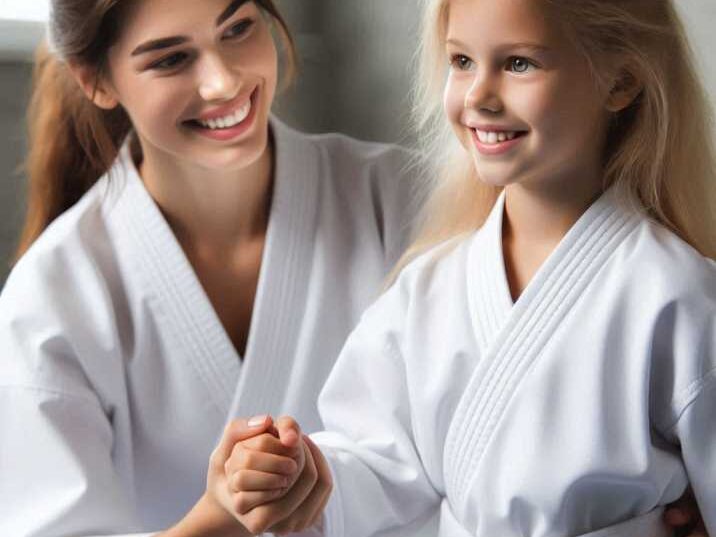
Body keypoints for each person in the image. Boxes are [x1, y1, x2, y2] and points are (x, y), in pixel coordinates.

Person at [226, 0, 716, 536]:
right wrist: (299, 475)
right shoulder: (430, 288)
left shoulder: (674, 294)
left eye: (519, 64)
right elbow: (377, 463)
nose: (479, 95)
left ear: (620, 82)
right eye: (461, 61)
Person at [0, 0, 420, 535]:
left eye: (238, 28)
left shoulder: (402, 202)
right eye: (171, 60)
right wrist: (218, 519)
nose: (222, 82)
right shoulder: (51, 296)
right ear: (96, 81)